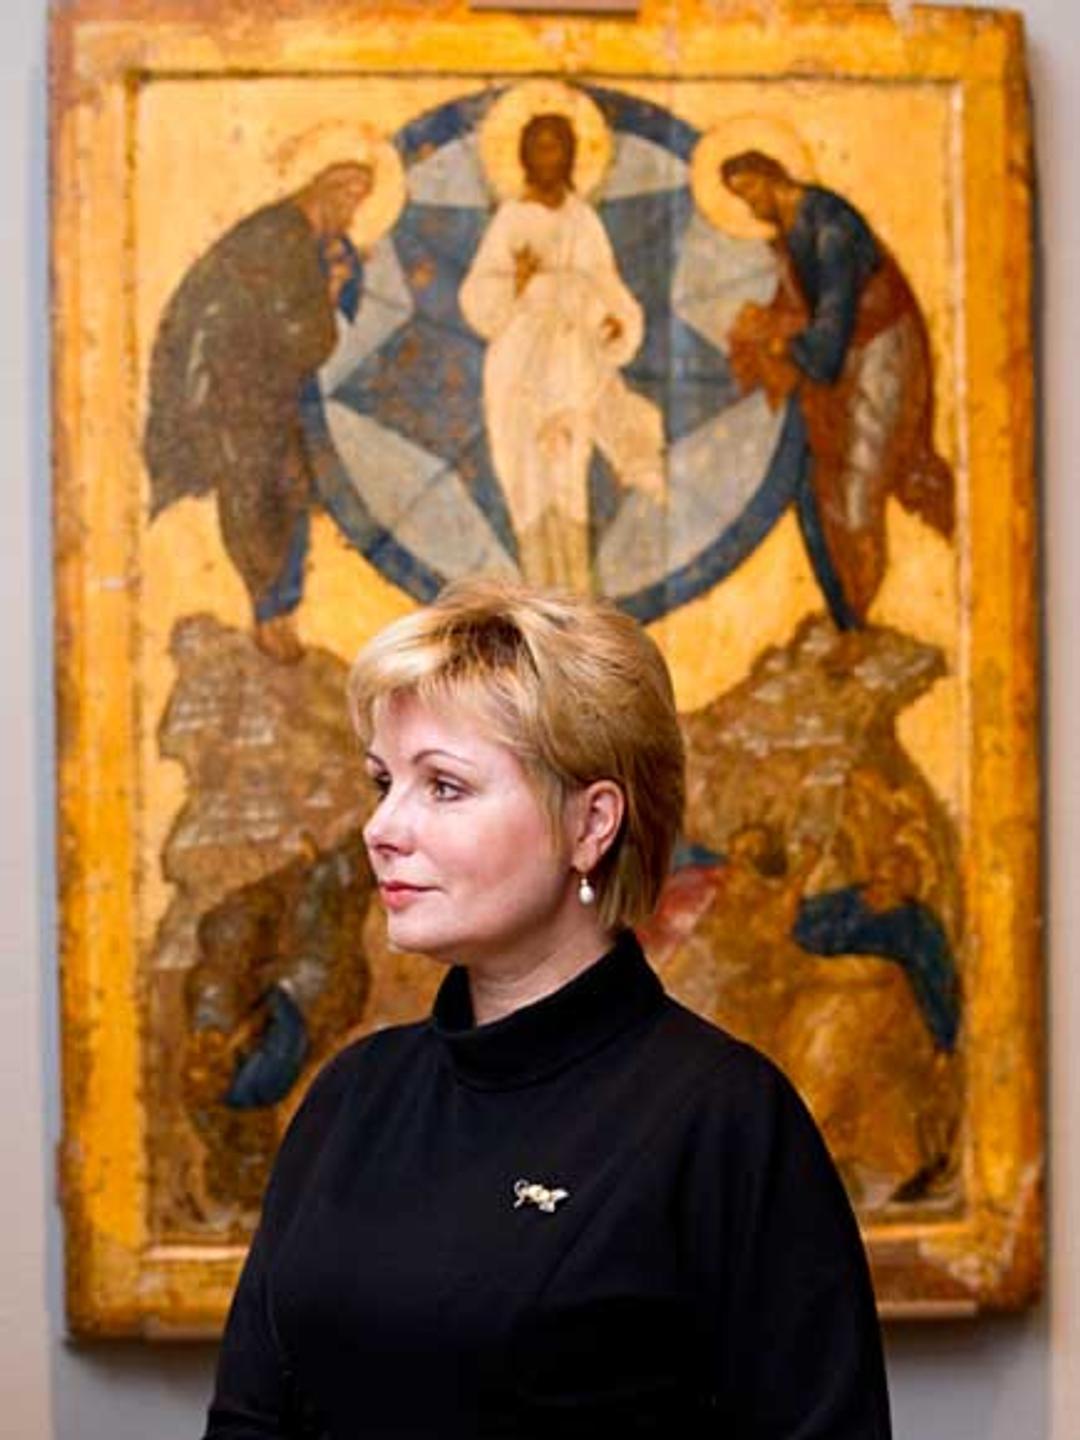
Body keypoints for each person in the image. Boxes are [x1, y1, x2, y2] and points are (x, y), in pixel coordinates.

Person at [203, 577, 892, 1438]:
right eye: (383, 782)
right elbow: (248, 1422)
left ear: (590, 823)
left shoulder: (725, 1121)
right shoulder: (350, 1098)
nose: (382, 827)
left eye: (443, 786)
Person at [144, 161, 373, 664]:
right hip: (241, 396)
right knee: (257, 500)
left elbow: (321, 323)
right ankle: (267, 614)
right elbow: (299, 335)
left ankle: (279, 613)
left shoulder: (307, 239)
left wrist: (341, 279)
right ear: (323, 186)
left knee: (290, 493)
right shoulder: (279, 238)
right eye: (348, 197)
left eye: (360, 201)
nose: (353, 212)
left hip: (272, 394)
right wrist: (330, 291)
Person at [720, 150, 954, 629]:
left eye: (749, 193)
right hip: (842, 360)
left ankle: (867, 616)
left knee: (860, 485)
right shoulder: (791, 234)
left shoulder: (831, 228)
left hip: (880, 353)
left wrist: (782, 341)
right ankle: (848, 620)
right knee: (814, 486)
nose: (751, 208)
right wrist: (765, 322)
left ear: (770, 176)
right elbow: (801, 306)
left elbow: (831, 327)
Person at [460, 114, 665, 593]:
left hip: (573, 361)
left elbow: (609, 286)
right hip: (519, 367)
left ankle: (574, 599)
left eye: (557, 147)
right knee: (526, 481)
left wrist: (616, 322)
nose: (548, 157)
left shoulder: (582, 220)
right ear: (524, 157)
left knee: (568, 481)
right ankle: (538, 594)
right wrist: (518, 282)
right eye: (539, 147)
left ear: (571, 155)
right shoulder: (511, 218)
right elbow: (477, 297)